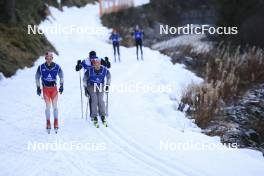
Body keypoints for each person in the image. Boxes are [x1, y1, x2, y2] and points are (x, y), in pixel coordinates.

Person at [35, 52, 64, 131]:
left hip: (54, 89)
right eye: (47, 58)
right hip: (45, 89)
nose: (49, 60)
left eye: (50, 58)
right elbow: (37, 77)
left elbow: (61, 75)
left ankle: (56, 121)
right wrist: (38, 87)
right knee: (48, 106)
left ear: (52, 58)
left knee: (55, 106)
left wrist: (61, 85)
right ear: (45, 59)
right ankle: (48, 122)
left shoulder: (57, 67)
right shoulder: (41, 67)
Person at [83, 58, 111, 128]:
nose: (97, 65)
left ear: (100, 63)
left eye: (98, 63)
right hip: (92, 86)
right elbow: (84, 79)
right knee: (94, 100)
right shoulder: (90, 71)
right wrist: (85, 88)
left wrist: (107, 84)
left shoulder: (104, 70)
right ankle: (94, 116)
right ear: (94, 64)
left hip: (100, 86)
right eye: (96, 63)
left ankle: (102, 115)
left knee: (100, 100)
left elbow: (109, 76)